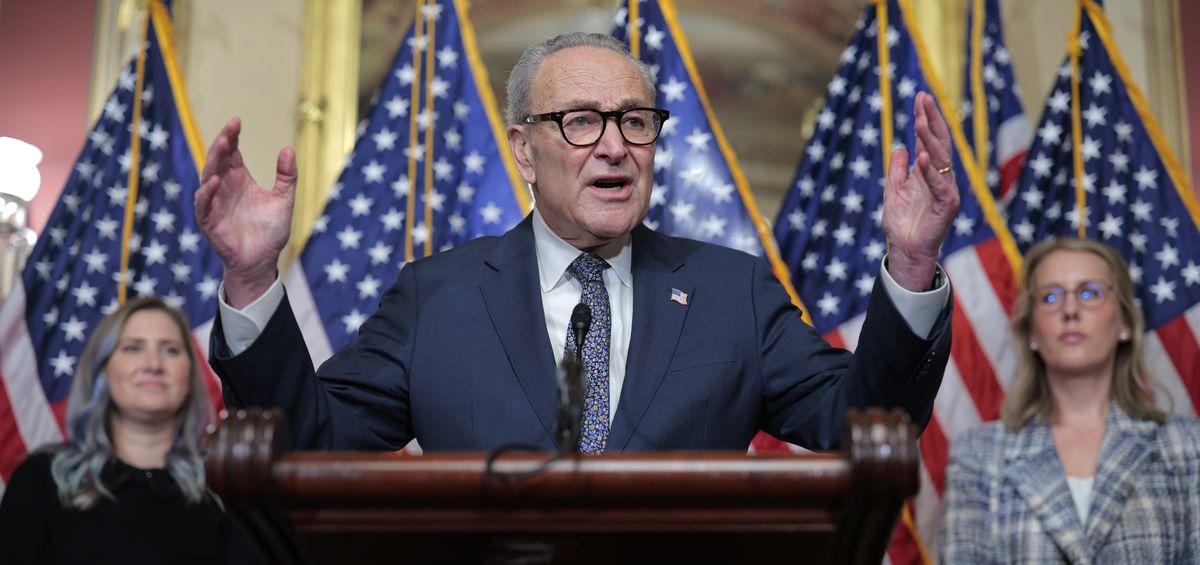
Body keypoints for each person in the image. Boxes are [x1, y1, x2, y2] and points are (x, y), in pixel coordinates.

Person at [195, 32, 959, 454]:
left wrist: (913, 264)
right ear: (524, 151)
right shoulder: (438, 298)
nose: (616, 146)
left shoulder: (733, 292)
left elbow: (868, 421)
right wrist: (255, 278)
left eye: (636, 121)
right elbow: (310, 439)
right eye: (582, 122)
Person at [936, 238, 1200, 565]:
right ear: (1032, 332)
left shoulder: (1186, 446)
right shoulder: (980, 456)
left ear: (1124, 324)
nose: (1070, 309)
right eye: (1051, 296)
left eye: (1091, 293)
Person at [0, 297, 272, 565]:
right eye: (132, 348)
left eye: (171, 350)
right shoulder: (41, 480)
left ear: (190, 375)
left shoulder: (227, 490)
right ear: (102, 370)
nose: (153, 364)